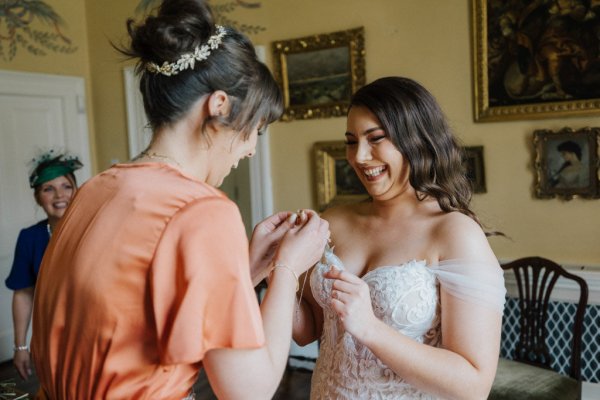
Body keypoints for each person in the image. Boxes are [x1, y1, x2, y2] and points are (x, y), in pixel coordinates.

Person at [30, 0, 329, 398]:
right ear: (219, 106)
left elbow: (133, 313)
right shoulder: (203, 210)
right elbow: (248, 391)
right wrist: (289, 270)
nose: (250, 150)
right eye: (253, 130)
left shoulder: (94, 189)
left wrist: (246, 270)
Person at [293, 77, 507, 399]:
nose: (359, 157)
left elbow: (473, 385)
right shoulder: (334, 220)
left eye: (375, 138)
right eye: (351, 142)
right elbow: (307, 330)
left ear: (416, 140)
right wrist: (278, 267)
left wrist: (370, 328)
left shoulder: (454, 233)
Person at [4, 150, 82, 381]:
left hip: (97, 335)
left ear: (77, 191)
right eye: (48, 189)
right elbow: (23, 293)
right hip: (52, 340)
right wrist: (20, 347)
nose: (60, 195)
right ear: (38, 197)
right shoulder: (30, 238)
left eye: (66, 186)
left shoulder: (94, 230)